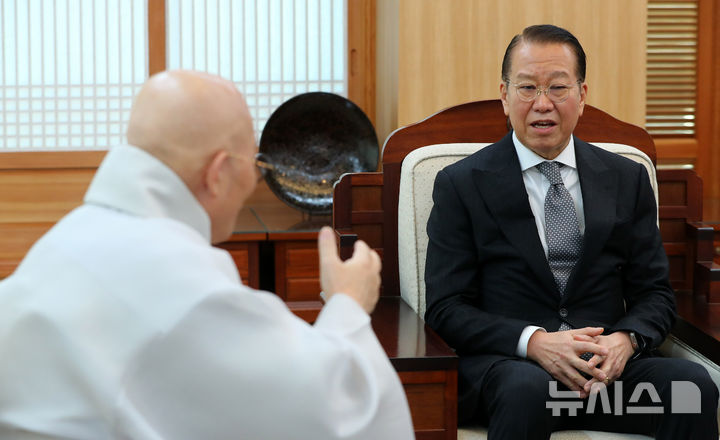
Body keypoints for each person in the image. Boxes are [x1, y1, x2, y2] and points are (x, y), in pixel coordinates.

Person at [0, 70, 414, 439]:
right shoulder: (181, 284)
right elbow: (327, 408)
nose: (254, 178)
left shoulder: (69, 236)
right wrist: (348, 303)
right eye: (254, 163)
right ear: (216, 174)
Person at [424, 24, 718, 440]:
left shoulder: (626, 179)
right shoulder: (462, 183)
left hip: (607, 385)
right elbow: (446, 307)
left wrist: (626, 341)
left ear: (582, 95)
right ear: (505, 96)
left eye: (558, 88)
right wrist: (535, 342)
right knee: (528, 391)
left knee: (692, 389)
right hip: (514, 374)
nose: (542, 104)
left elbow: (655, 293)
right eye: (527, 88)